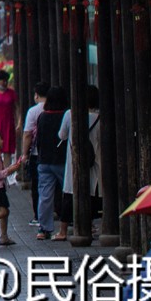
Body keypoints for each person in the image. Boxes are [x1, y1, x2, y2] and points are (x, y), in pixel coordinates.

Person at [57, 86, 100, 241]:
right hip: (94, 161)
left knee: (69, 194)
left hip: (73, 160)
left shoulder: (70, 114)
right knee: (91, 194)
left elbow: (62, 135)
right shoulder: (100, 117)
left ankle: (62, 231)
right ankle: (89, 226)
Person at [25, 84, 68, 240]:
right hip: (62, 160)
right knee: (68, 192)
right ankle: (70, 222)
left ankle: (44, 229)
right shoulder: (66, 115)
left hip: (44, 160)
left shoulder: (42, 116)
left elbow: (39, 139)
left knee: (45, 195)